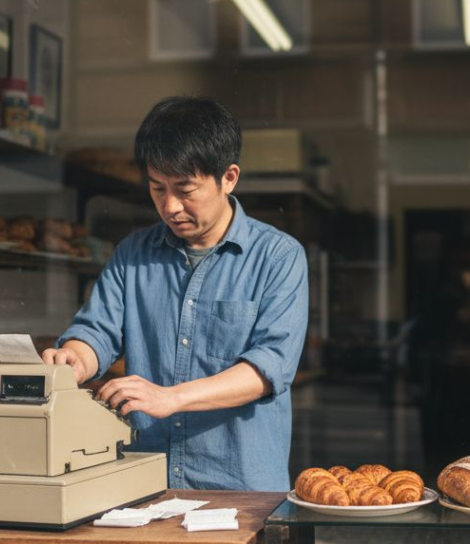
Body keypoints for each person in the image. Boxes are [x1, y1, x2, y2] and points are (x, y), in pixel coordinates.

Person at [42, 97, 309, 491]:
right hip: (145, 482)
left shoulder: (278, 257)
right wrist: (75, 358)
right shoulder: (133, 253)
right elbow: (97, 331)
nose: (170, 206)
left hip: (240, 491)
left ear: (229, 177)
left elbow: (269, 368)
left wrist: (172, 398)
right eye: (157, 188)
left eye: (185, 189)